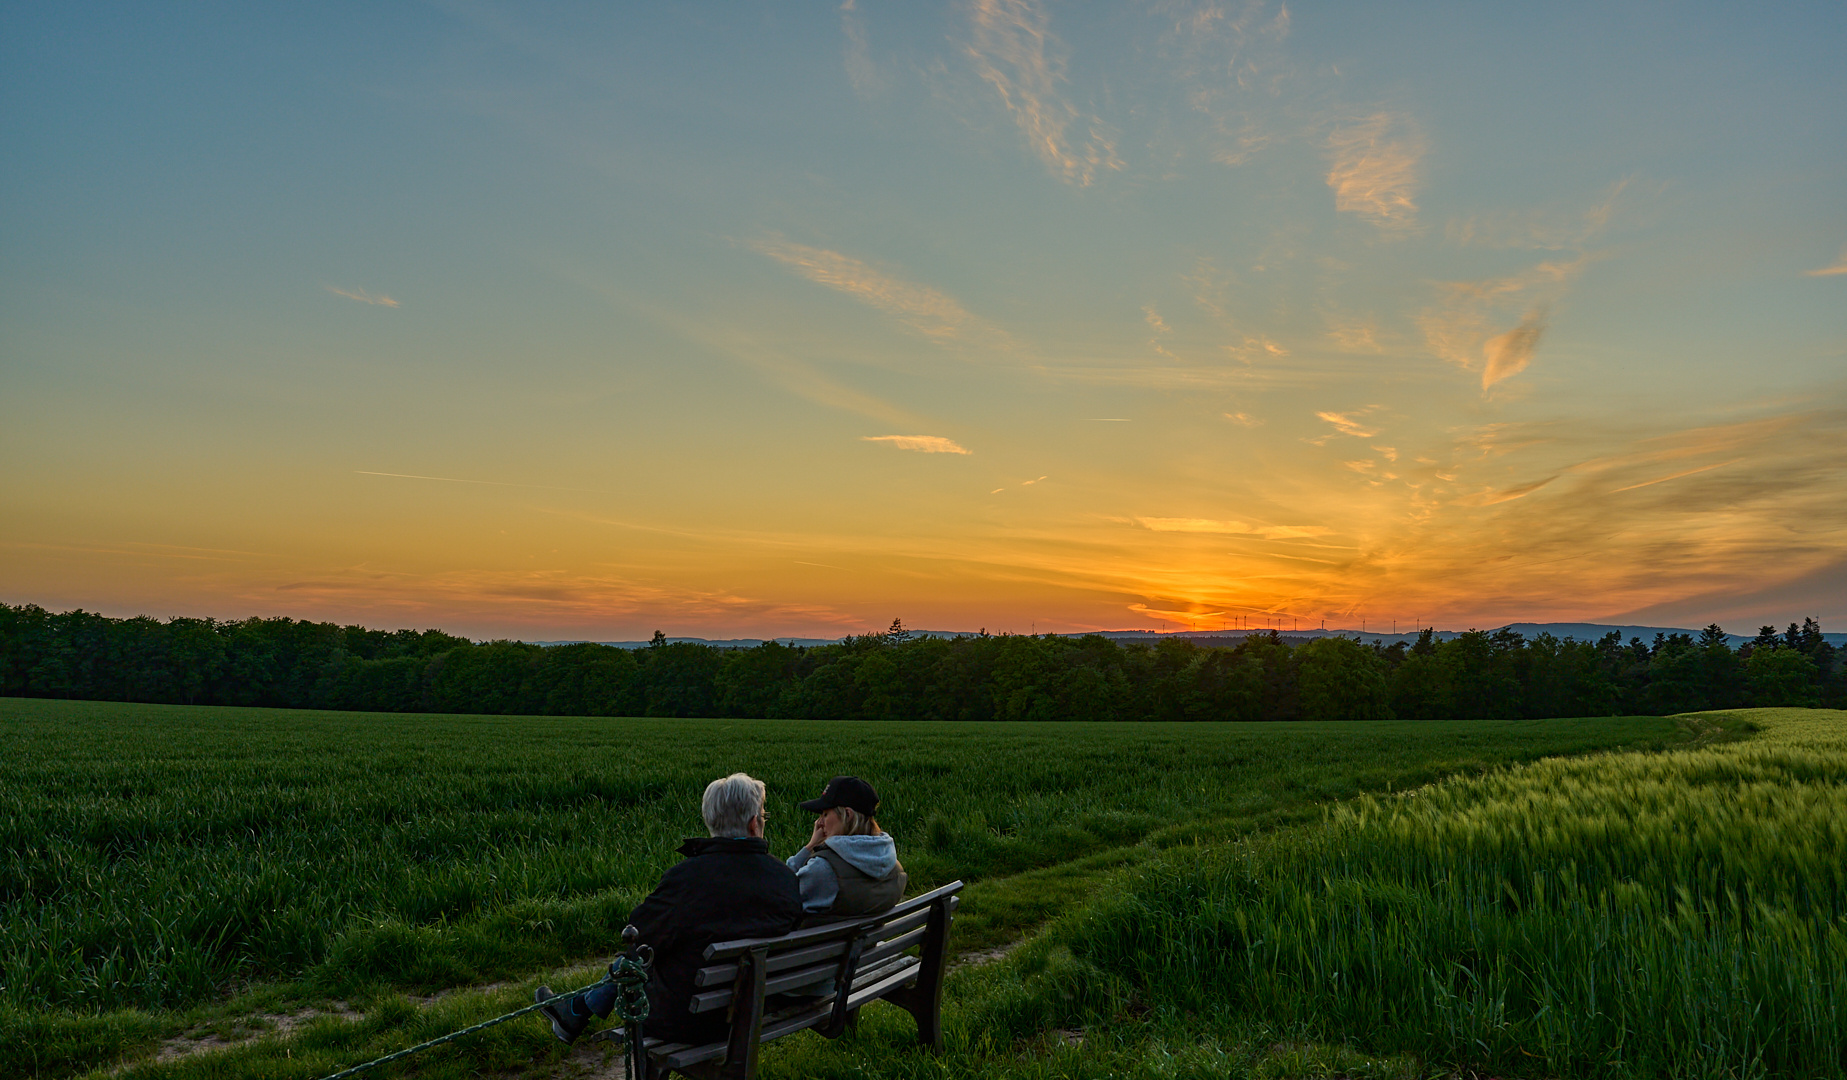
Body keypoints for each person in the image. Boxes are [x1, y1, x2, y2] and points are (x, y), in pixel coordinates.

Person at [538, 772, 802, 1046]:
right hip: (759, 1011)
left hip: (689, 1022)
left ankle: (576, 1010)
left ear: (710, 821)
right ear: (753, 824)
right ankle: (576, 1010)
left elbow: (637, 936)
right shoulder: (784, 878)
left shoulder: (687, 879)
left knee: (646, 953)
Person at [786, 776, 907, 917]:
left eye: (825, 814)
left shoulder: (823, 869)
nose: (819, 822)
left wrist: (809, 846)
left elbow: (779, 891)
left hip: (825, 940)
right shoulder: (893, 866)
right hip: (866, 938)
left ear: (847, 815)